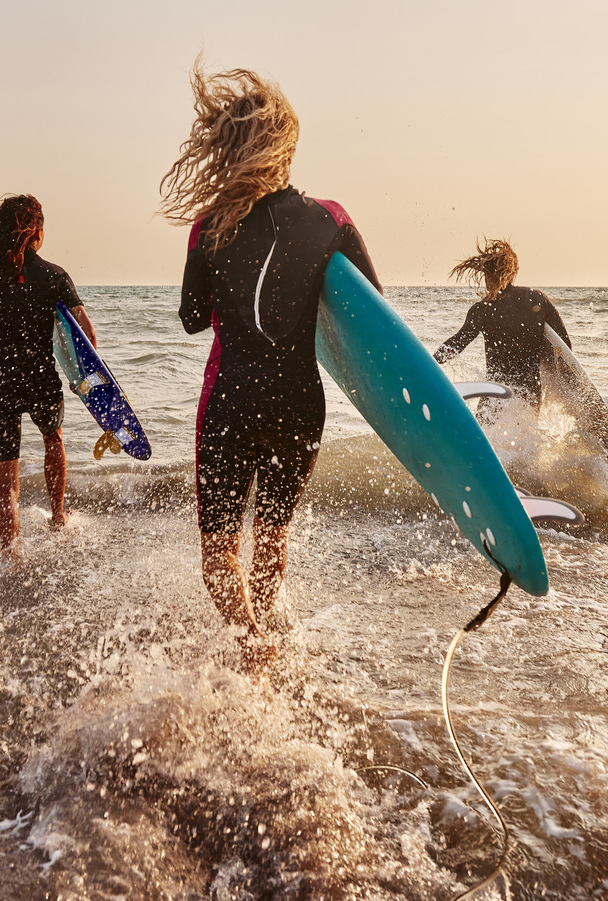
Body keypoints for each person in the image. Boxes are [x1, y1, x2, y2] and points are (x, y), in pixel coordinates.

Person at [162, 64, 381, 673]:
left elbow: (190, 319)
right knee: (272, 539)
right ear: (286, 147)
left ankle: (252, 643)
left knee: (217, 551)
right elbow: (370, 311)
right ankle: (269, 653)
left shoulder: (209, 225)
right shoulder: (331, 218)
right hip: (300, 403)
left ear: (228, 148)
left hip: (231, 399)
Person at [0, 194, 95, 561]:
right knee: (54, 440)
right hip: (40, 379)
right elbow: (87, 333)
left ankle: (10, 556)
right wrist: (79, 375)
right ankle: (58, 516)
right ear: (36, 230)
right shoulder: (54, 275)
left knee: (5, 484)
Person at [432, 239, 569, 406]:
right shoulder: (537, 299)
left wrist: (428, 364)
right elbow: (564, 345)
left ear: (488, 276)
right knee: (525, 431)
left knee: (487, 431)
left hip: (496, 390)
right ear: (512, 273)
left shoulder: (482, 309)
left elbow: (457, 344)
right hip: (530, 391)